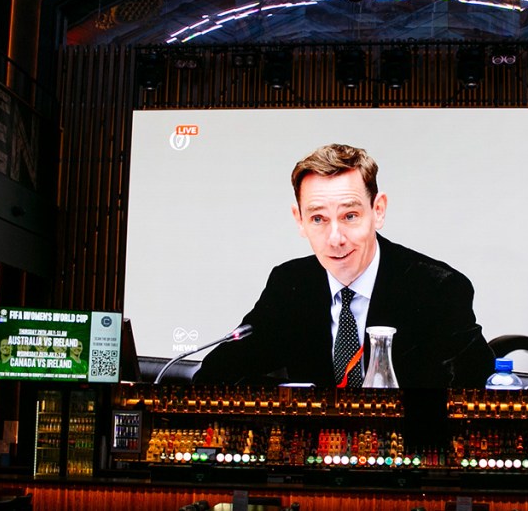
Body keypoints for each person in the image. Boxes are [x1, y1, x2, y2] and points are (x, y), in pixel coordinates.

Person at [194, 143, 495, 388]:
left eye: (350, 216)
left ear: (378, 211)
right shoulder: (290, 284)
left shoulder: (437, 287)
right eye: (318, 219)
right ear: (299, 220)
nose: (335, 239)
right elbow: (218, 374)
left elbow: (475, 388)